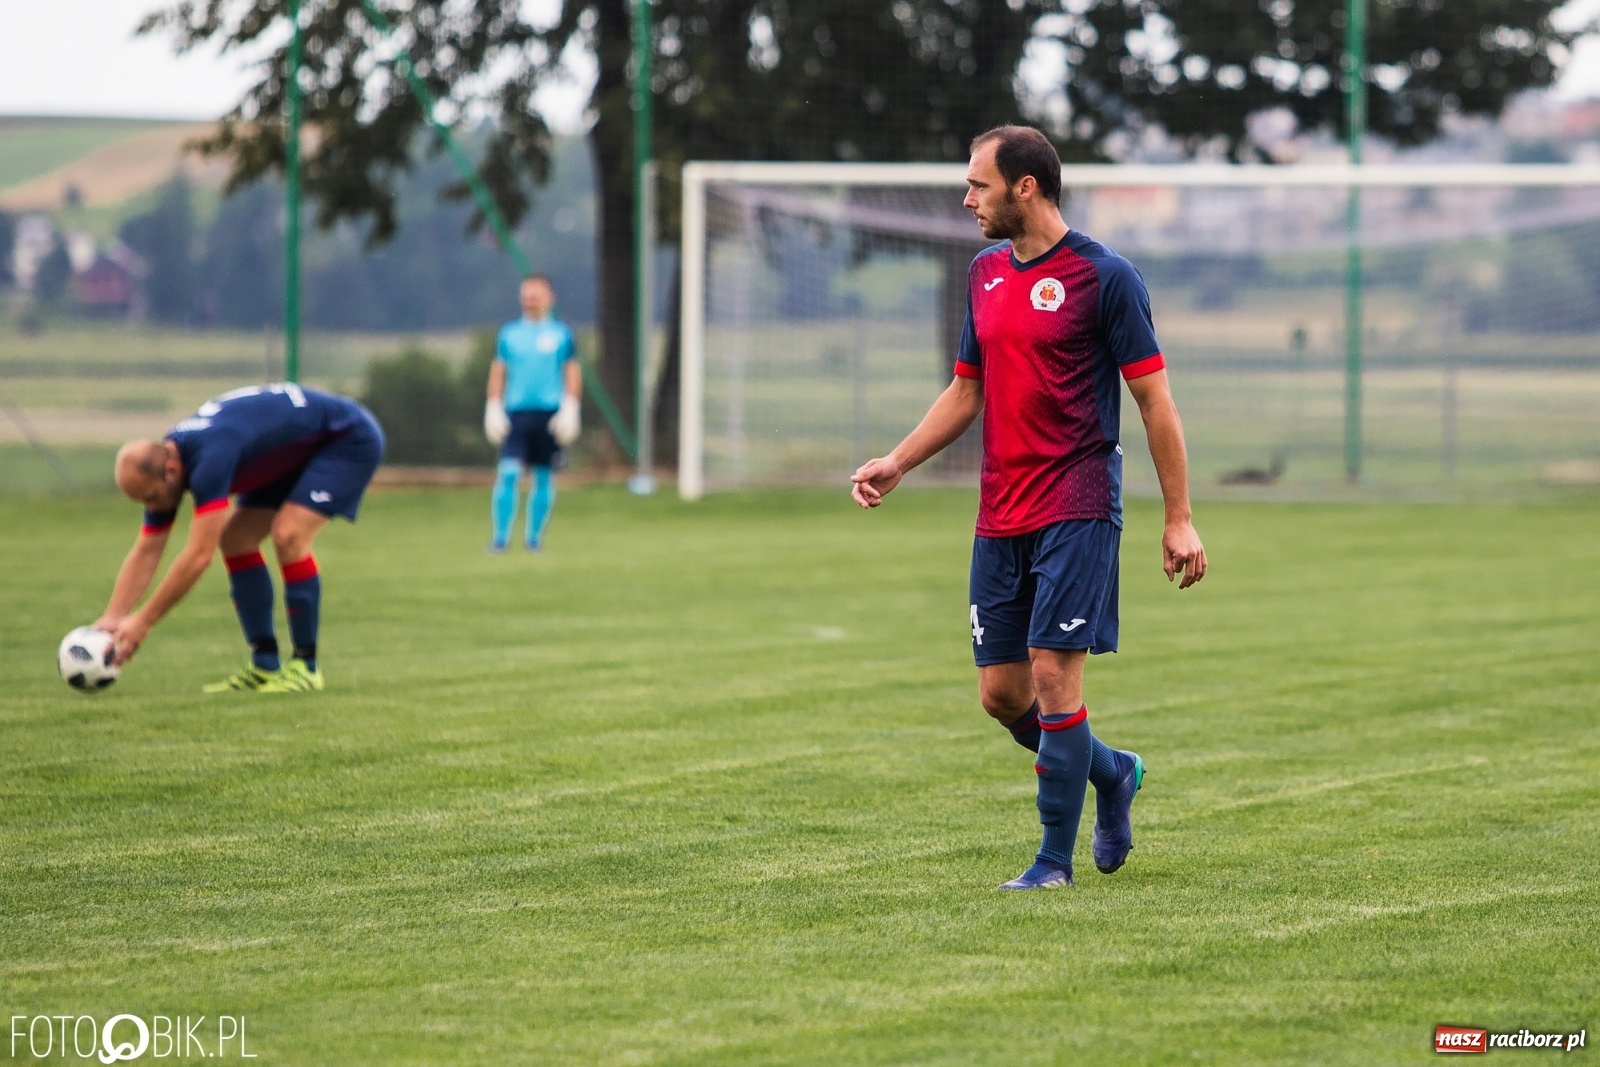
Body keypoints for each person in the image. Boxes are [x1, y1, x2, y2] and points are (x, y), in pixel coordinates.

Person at [850, 125, 1207, 891]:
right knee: (1002, 694)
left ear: (1026, 187)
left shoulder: (1105, 277)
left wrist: (1178, 516)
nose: (966, 199)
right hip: (999, 511)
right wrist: (898, 460)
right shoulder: (984, 273)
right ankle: (1112, 772)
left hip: (1077, 504)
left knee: (1052, 677)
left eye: (977, 184)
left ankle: (1051, 862)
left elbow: (1155, 401)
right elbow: (966, 390)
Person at [97, 382, 385, 693]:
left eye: (151, 498)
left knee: (289, 535)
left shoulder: (209, 457)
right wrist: (112, 618)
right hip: (291, 453)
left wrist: (144, 622)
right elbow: (148, 548)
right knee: (236, 539)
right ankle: (264, 665)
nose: (151, 508)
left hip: (346, 439)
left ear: (171, 470)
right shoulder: (168, 464)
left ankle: (306, 666)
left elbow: (199, 556)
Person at [483, 275, 582, 553]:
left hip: (549, 414)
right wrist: (493, 405)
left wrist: (571, 406)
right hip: (517, 413)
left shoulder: (562, 334)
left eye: (536, 295)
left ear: (549, 298)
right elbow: (499, 371)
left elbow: (571, 371)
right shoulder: (509, 334)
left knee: (543, 474)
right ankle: (500, 537)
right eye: (527, 295)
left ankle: (534, 539)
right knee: (509, 472)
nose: (531, 300)